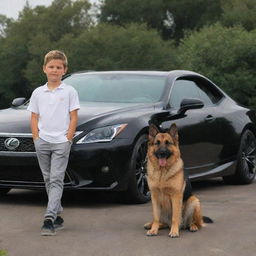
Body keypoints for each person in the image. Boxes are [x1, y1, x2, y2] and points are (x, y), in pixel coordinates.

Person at [27, 50, 80, 236]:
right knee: (48, 179)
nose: (55, 70)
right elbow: (34, 117)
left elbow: (73, 117)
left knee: (56, 179)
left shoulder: (70, 91)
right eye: (51, 67)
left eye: (59, 67)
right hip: (42, 141)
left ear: (64, 70)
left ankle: (49, 219)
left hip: (61, 143)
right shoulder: (37, 93)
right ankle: (57, 214)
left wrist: (68, 138)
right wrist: (36, 138)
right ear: (44, 69)